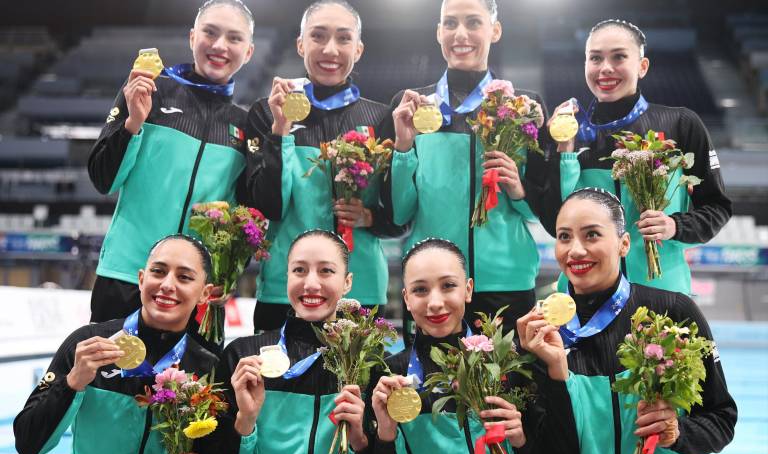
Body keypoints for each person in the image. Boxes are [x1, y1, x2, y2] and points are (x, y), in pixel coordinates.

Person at [517, 188, 737, 454]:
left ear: (623, 244)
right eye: (564, 237)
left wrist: (677, 433)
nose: (575, 250)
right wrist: (556, 376)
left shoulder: (673, 312)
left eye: (592, 234)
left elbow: (721, 419)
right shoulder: (540, 335)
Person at [380, 0, 551, 339]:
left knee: (508, 376)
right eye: (451, 23)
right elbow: (399, 213)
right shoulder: (412, 106)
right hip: (434, 286)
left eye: (473, 22)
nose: (460, 34)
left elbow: (540, 212)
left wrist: (518, 190)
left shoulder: (524, 107)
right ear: (438, 32)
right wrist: (403, 147)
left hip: (506, 282)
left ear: (495, 30)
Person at [368, 238, 576, 454]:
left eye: (448, 286)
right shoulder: (391, 376)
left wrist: (520, 440)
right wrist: (386, 433)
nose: (435, 302)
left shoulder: (507, 363)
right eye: (420, 290)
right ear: (406, 298)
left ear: (468, 290)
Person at [14, 234, 218, 454]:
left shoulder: (207, 367)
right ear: (142, 279)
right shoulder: (88, 344)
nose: (167, 285)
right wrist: (72, 383)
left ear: (205, 293)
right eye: (158, 272)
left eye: (184, 277)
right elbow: (27, 444)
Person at [87, 0, 255, 322]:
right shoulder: (149, 90)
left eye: (234, 38)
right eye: (210, 32)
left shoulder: (246, 125)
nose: (220, 45)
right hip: (127, 276)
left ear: (248, 52)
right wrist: (133, 123)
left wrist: (229, 272)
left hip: (196, 289)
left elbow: (243, 217)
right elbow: (102, 179)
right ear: (192, 37)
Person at [245, 0, 403, 332]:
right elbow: (269, 206)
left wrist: (370, 217)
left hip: (359, 291)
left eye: (343, 38)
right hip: (286, 290)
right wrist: (280, 132)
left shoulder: (380, 118)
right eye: (318, 36)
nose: (330, 49)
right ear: (301, 44)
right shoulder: (267, 111)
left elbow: (401, 218)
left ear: (358, 49)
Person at [200, 230, 382, 454]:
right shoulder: (244, 357)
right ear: (286, 277)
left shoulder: (371, 362)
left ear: (347, 282)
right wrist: (245, 420)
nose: (311, 284)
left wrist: (360, 439)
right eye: (299, 270)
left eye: (326, 271)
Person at [548, 19, 732, 294]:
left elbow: (717, 208)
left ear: (642, 66)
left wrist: (674, 226)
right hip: (585, 296)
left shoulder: (680, 124)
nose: (605, 67)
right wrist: (563, 151)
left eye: (619, 56)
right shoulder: (569, 132)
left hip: (661, 294)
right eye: (595, 58)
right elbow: (552, 219)